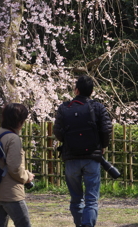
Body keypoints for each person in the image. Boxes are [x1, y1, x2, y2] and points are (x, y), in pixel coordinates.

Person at [53, 75, 112, 227]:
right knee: (91, 199)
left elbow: (58, 132)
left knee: (76, 198)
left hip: (71, 157)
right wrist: (103, 146)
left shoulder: (64, 108)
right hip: (92, 157)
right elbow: (106, 129)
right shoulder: (97, 107)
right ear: (92, 91)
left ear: (76, 90)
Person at [0, 102, 35, 227]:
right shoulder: (13, 139)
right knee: (24, 224)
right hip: (10, 192)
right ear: (20, 121)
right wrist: (27, 177)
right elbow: (14, 168)